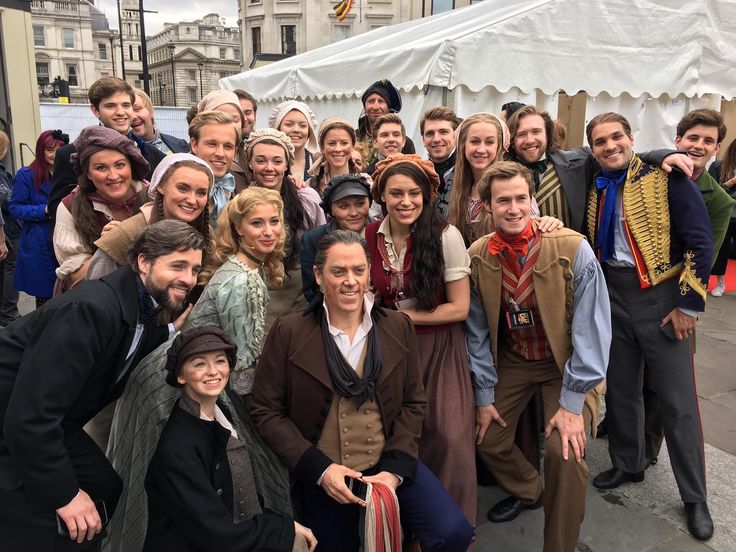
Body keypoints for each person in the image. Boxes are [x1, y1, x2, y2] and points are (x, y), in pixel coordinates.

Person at [251, 230, 474, 552]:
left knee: (453, 531)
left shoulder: (398, 326)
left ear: (369, 273)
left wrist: (395, 471)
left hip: (388, 464)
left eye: (358, 270)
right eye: (338, 271)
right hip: (325, 473)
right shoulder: (289, 331)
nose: (350, 281)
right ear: (318, 275)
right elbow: (265, 410)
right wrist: (319, 469)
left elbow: (414, 401)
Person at [106, 187, 295, 552]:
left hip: (196, 368)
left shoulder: (246, 270)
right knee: (145, 474)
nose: (268, 231)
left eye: (275, 222)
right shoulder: (242, 280)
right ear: (239, 229)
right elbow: (241, 371)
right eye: (257, 223)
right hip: (177, 377)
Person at [0, 220, 203, 550]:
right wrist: (66, 496)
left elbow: (128, 339)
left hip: (44, 422)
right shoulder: (90, 309)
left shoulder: (137, 305)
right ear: (143, 261)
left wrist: (168, 333)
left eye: (194, 269)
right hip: (14, 423)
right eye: (177, 265)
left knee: (104, 487)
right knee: (54, 521)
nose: (188, 279)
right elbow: (30, 415)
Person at [466, 161, 609, 552]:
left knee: (564, 451)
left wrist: (573, 401)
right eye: (503, 201)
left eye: (520, 199)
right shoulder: (479, 255)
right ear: (487, 207)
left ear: (533, 201)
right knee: (485, 436)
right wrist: (482, 395)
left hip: (567, 365)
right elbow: (476, 331)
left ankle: (559, 546)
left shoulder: (570, 248)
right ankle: (530, 489)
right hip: (515, 361)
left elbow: (592, 332)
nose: (513, 208)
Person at [584, 112, 714, 541]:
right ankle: (627, 462)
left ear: (631, 137)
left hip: (661, 297)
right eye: (600, 141)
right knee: (621, 387)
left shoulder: (668, 175)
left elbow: (700, 241)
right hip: (611, 293)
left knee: (677, 402)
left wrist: (687, 306)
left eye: (616, 137)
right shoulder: (595, 179)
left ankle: (694, 497)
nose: (609, 146)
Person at [364, 154, 476, 525]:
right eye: (396, 193)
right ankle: (411, 521)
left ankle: (451, 526)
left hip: (438, 347)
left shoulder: (446, 235)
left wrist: (401, 317)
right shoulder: (370, 235)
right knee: (400, 433)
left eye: (414, 193)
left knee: (448, 436)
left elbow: (459, 308)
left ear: (427, 195)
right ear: (382, 196)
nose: (405, 201)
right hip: (389, 348)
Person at [143, 325, 316, 552]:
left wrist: (286, 525)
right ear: (180, 376)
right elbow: (216, 534)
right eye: (199, 364)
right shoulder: (178, 448)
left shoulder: (219, 413)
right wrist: (283, 527)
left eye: (220, 361)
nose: (213, 371)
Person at [505, 105, 693, 233]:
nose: (530, 140)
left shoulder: (579, 161)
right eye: (522, 134)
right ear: (512, 141)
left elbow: (618, 156)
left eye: (536, 132)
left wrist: (662, 155)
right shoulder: (502, 175)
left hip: (571, 262)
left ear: (547, 133)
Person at [47, 77, 166, 227]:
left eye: (126, 105)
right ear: (96, 110)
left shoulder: (152, 154)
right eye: (110, 106)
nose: (120, 112)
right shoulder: (69, 154)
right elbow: (57, 210)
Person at [244, 128, 325, 328]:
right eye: (261, 160)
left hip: (300, 300)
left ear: (288, 164)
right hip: (257, 302)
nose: (269, 168)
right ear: (250, 163)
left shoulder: (306, 199)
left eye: (277, 161)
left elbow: (322, 245)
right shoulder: (241, 203)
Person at [53, 126, 150, 292]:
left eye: (120, 165)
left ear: (131, 166)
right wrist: (110, 247)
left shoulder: (152, 197)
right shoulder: (70, 207)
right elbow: (74, 275)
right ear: (88, 173)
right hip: (97, 299)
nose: (113, 176)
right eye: (101, 168)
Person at [87, 153, 213, 280]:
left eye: (201, 193)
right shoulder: (126, 235)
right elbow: (93, 291)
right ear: (161, 186)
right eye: (183, 189)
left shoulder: (207, 234)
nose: (192, 200)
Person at [8, 130, 69, 307]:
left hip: (65, 238)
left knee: (68, 293)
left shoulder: (69, 173)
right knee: (45, 298)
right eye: (50, 150)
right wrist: (44, 210)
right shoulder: (26, 175)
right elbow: (15, 208)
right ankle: (44, 333)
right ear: (40, 151)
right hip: (39, 241)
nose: (54, 155)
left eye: (60, 149)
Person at [301, 174, 372, 301]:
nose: (354, 213)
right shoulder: (313, 240)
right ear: (331, 210)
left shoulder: (380, 235)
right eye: (344, 206)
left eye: (360, 204)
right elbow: (311, 291)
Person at [188, 110, 241, 226]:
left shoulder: (242, 186)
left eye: (228, 146)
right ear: (194, 145)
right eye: (212, 144)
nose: (220, 153)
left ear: (235, 151)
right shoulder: (170, 186)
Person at [355, 79, 416, 162]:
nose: (375, 107)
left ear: (388, 107)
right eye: (371, 101)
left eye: (381, 101)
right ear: (365, 107)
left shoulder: (404, 143)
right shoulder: (354, 138)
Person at [420, 106, 460, 217]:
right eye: (430, 133)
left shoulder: (469, 173)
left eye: (443, 132)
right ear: (423, 140)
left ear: (455, 136)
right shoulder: (418, 174)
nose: (436, 139)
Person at [709, 138, 736, 296]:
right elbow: (713, 191)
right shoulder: (718, 165)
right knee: (722, 249)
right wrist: (731, 182)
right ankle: (720, 282)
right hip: (726, 214)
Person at [308, 118, 359, 197]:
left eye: (344, 143)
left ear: (353, 145)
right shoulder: (309, 188)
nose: (338, 149)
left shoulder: (365, 184)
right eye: (332, 143)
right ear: (322, 147)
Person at [268, 100, 318, 180]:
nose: (296, 130)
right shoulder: (268, 165)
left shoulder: (318, 163)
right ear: (277, 129)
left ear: (310, 131)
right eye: (289, 124)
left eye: (303, 125)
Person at [0, 130, 20, 326]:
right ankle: (9, 313)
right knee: (10, 269)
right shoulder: (1, 175)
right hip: (9, 230)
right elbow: (6, 202)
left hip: (7, 229)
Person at [130, 88, 189, 154]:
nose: (133, 117)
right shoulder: (122, 154)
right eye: (128, 112)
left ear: (151, 111)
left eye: (136, 109)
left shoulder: (181, 145)